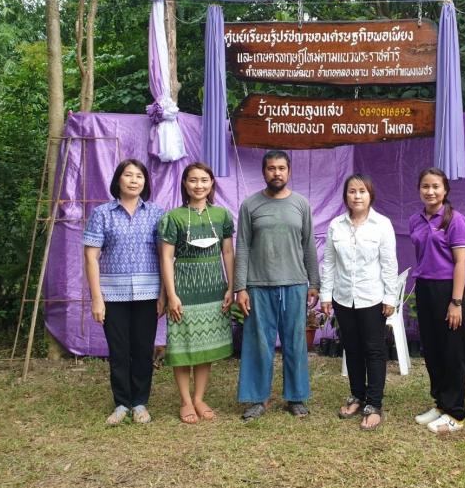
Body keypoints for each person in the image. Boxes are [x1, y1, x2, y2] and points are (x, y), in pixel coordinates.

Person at [234, 150, 320, 421]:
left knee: (295, 342)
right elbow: (243, 248)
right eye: (271, 168)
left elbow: (309, 245)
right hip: (258, 284)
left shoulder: (301, 204)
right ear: (264, 172)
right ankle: (258, 399)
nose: (277, 173)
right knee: (259, 343)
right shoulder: (250, 205)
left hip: (295, 283)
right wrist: (240, 287)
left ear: (289, 171)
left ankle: (296, 398)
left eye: (281, 168)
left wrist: (313, 282)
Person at [84, 158, 164, 426]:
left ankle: (140, 402)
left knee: (143, 349)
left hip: (148, 293)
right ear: (118, 179)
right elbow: (91, 257)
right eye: (128, 175)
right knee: (118, 350)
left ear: (145, 182)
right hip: (112, 295)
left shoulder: (156, 213)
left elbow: (166, 257)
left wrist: (164, 294)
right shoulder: (102, 214)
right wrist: (97, 298)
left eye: (139, 176)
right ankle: (121, 403)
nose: (133, 180)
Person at [159, 162, 235, 424]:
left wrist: (231, 287)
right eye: (193, 180)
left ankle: (200, 398)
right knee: (182, 345)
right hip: (184, 288)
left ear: (212, 183)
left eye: (204, 180)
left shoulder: (222, 216)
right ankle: (186, 401)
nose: (199, 185)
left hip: (214, 288)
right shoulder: (174, 217)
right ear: (184, 184)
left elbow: (227, 252)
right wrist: (171, 294)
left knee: (206, 347)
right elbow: (167, 258)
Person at [320, 174, 398, 430]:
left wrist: (390, 297)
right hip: (343, 298)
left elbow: (389, 264)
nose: (357, 196)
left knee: (374, 350)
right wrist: (326, 295)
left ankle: (374, 403)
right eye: (352, 191)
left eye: (362, 191)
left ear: (370, 194)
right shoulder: (336, 226)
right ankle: (357, 395)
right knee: (351, 348)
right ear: (346, 196)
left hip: (372, 298)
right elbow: (329, 263)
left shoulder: (382, 224)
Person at [409, 167, 465, 434]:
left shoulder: (455, 220)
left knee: (452, 352)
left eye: (435, 186)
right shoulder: (415, 220)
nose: (430, 191)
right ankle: (441, 404)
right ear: (419, 189)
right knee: (432, 349)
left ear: (445, 190)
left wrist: (456, 302)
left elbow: (461, 261)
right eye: (425, 186)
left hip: (448, 291)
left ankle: (455, 412)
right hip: (424, 288)